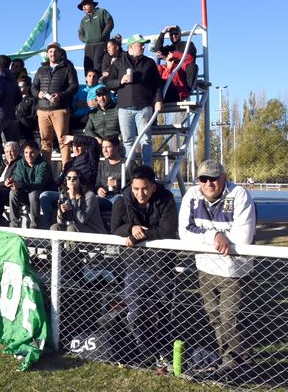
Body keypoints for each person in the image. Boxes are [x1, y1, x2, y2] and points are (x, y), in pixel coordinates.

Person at [178, 160, 256, 377]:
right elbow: (184, 232)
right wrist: (214, 236)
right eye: (203, 179)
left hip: (234, 270)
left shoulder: (240, 194)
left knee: (231, 319)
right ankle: (229, 359)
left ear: (224, 177)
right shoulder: (192, 195)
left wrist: (207, 238)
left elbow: (243, 237)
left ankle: (239, 364)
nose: (208, 183)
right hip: (205, 267)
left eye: (213, 178)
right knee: (214, 318)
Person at [110, 165, 178, 363]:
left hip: (162, 266)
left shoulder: (167, 200)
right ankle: (146, 351)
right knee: (136, 313)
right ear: (131, 186)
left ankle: (164, 353)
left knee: (164, 313)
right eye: (136, 189)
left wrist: (139, 235)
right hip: (134, 266)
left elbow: (167, 230)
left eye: (145, 189)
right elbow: (114, 229)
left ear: (154, 186)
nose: (141, 194)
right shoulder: (121, 202)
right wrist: (131, 227)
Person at [106, 34, 163, 167]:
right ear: (131, 46)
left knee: (146, 140)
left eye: (144, 44)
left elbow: (157, 84)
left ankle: (147, 170)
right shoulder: (118, 62)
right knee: (127, 141)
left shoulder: (149, 63)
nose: (143, 47)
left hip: (144, 107)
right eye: (140, 44)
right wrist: (121, 81)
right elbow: (108, 83)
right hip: (124, 108)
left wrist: (158, 100)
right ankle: (129, 170)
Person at [31, 42, 79, 166]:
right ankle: (46, 174)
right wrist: (38, 94)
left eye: (55, 51)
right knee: (45, 142)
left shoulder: (68, 68)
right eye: (50, 51)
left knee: (63, 141)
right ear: (47, 54)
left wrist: (61, 95)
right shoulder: (41, 70)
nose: (53, 54)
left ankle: (66, 172)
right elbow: (33, 88)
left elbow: (74, 86)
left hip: (60, 109)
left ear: (59, 53)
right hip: (42, 110)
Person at [8, 141, 55, 229]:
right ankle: (14, 225)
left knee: (33, 194)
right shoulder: (20, 163)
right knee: (13, 193)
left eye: (32, 152)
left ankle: (34, 226)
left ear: (38, 152)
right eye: (26, 152)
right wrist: (11, 182)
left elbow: (39, 184)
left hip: (43, 195)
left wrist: (21, 185)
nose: (28, 155)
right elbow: (18, 178)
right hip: (27, 193)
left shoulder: (44, 164)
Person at [0, 54, 21, 169]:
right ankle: (14, 166)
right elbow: (19, 97)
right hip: (11, 115)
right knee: (10, 143)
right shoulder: (12, 78)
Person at [50, 168, 106, 234]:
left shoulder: (89, 196)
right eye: (68, 178)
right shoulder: (64, 195)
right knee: (55, 227)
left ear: (80, 181)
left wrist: (73, 199)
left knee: (72, 228)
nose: (71, 180)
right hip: (72, 226)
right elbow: (60, 221)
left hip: (93, 230)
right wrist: (60, 213)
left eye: (75, 178)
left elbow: (81, 220)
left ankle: (69, 245)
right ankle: (56, 245)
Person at [77, 0, 115, 74]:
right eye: (82, 6)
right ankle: (89, 85)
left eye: (85, 4)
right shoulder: (83, 20)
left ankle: (100, 84)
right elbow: (80, 33)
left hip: (101, 45)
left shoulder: (101, 12)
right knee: (88, 67)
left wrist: (102, 36)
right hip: (88, 47)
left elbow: (110, 23)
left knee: (99, 66)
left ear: (92, 4)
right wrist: (86, 39)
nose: (84, 7)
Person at [0, 141, 21, 206]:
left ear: (17, 151)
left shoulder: (19, 163)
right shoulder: (4, 163)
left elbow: (11, 180)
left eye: (11, 151)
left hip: (8, 191)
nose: (9, 154)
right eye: (6, 152)